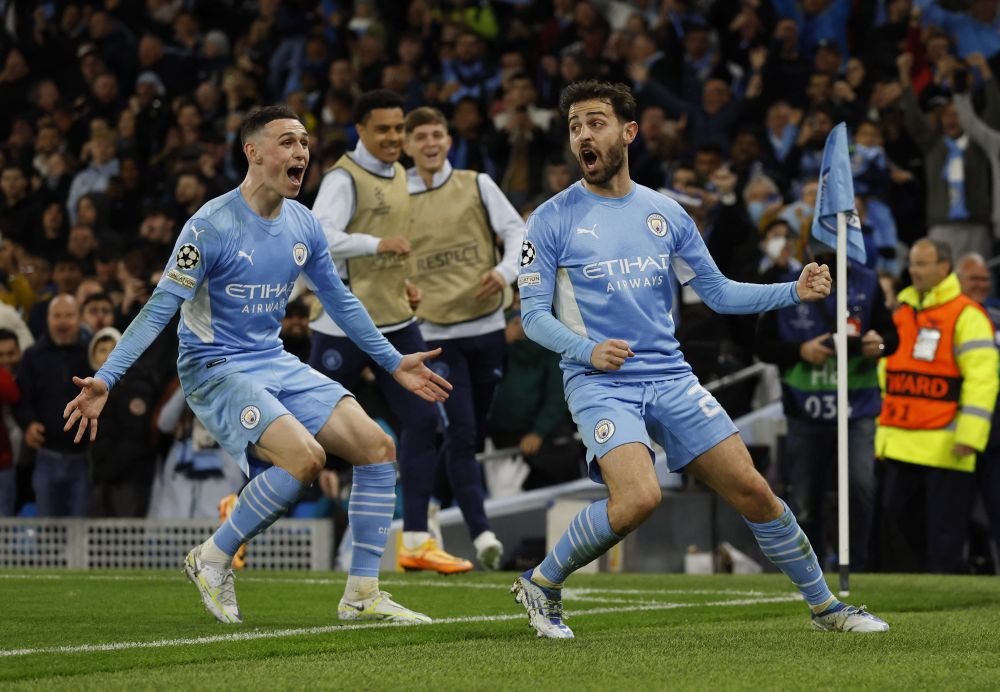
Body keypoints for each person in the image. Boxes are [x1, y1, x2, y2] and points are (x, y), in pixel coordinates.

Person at [511, 80, 888, 639]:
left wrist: (793, 290)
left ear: (628, 131)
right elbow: (533, 317)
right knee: (639, 497)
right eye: (574, 126)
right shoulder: (550, 219)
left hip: (670, 376)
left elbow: (718, 293)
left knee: (755, 492)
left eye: (595, 122)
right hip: (599, 381)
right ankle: (542, 582)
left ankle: (826, 607)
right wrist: (586, 349)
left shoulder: (666, 213)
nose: (582, 135)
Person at [63, 106, 451, 625]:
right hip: (214, 366)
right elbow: (160, 308)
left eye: (305, 143)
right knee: (305, 459)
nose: (301, 153)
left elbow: (339, 300)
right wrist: (106, 379)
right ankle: (212, 557)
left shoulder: (303, 223)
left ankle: (362, 593)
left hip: (273, 360)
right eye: (288, 142)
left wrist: (392, 361)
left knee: (379, 449)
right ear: (253, 152)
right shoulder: (209, 225)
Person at [309, 90, 444, 573]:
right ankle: (239, 507)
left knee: (426, 421)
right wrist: (375, 244)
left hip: (396, 322)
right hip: (343, 325)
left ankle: (415, 540)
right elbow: (318, 235)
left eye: (398, 128)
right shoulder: (343, 178)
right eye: (383, 129)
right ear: (360, 130)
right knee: (307, 430)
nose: (393, 137)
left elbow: (395, 251)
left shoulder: (403, 173)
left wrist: (404, 284)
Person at [402, 106, 524, 571]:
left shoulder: (476, 183)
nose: (430, 144)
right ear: (409, 146)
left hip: (487, 325)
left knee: (469, 431)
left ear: (448, 140)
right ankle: (482, 532)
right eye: (421, 137)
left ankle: (432, 501)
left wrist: (505, 270)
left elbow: (517, 231)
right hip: (434, 333)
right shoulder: (397, 197)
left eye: (437, 135)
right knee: (461, 432)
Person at [756, 241, 898, 571]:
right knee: (805, 499)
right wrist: (800, 351)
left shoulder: (866, 281)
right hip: (806, 410)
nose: (827, 256)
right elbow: (762, 345)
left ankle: (859, 567)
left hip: (857, 406)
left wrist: (880, 343)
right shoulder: (787, 285)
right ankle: (812, 572)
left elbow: (890, 336)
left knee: (861, 487)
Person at [877, 239, 999, 573]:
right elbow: (889, 373)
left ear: (944, 267)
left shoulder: (967, 315)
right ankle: (937, 580)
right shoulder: (901, 312)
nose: (913, 271)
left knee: (945, 533)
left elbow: (983, 379)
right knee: (897, 515)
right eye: (912, 264)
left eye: (922, 264)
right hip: (903, 439)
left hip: (947, 442)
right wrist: (883, 437)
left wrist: (971, 436)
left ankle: (950, 587)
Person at [16, 295, 92, 517]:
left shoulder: (92, 354)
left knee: (80, 530)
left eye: (68, 315)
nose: (62, 322)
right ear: (47, 320)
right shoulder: (32, 356)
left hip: (85, 459)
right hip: (46, 456)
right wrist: (28, 424)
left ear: (79, 319)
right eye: (56, 316)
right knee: (48, 534)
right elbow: (23, 400)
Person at [952, 252, 1000, 563]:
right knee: (954, 516)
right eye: (974, 279)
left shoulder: (995, 317)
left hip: (995, 431)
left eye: (985, 279)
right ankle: (951, 577)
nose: (981, 285)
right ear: (957, 280)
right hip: (953, 432)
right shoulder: (948, 316)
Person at [0, 328, 21, 516]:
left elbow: (13, 395)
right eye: (0, 355)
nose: (6, 360)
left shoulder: (29, 371)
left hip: (20, 463)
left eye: (11, 354)